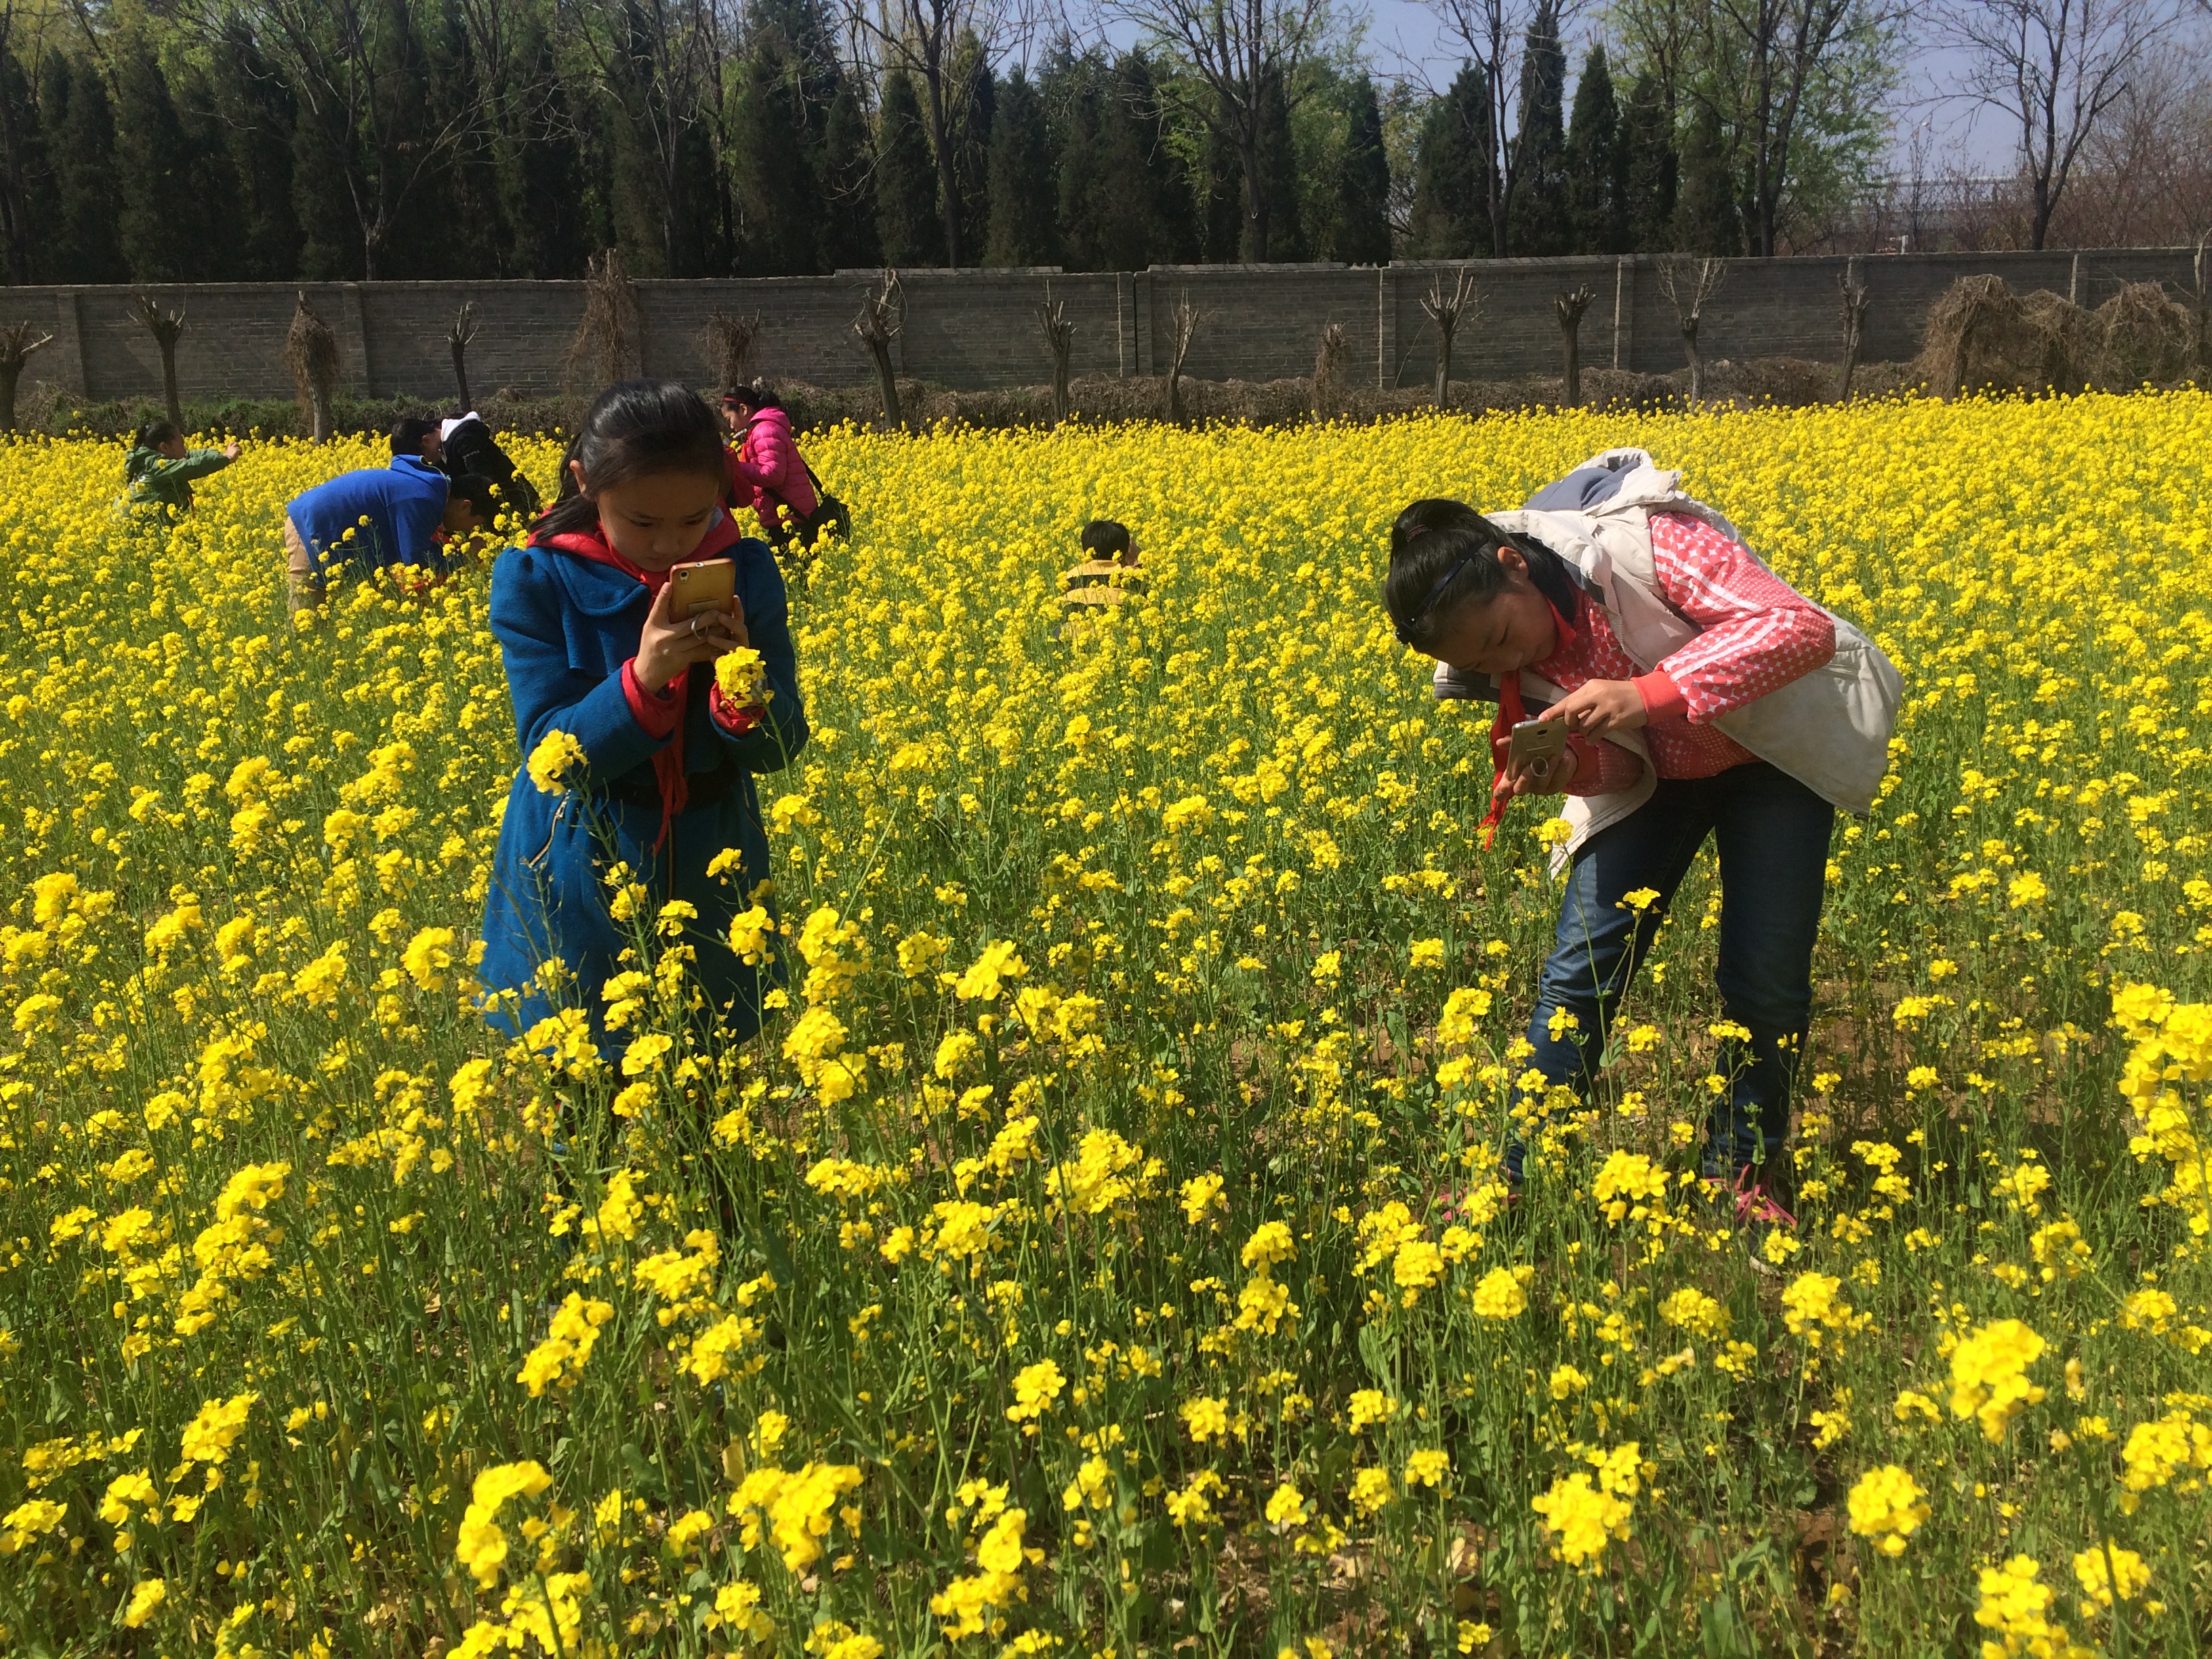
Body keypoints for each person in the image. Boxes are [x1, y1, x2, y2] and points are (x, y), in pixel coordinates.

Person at [1383, 449, 1901, 1223]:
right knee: (1578, 973)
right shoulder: (1501, 658)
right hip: (1665, 780)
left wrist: (1648, 692)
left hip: (1772, 762)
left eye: (1497, 638)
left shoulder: (1644, 543)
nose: (1504, 664)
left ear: (1511, 564)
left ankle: (1743, 1168)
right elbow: (1621, 774)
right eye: (1481, 663)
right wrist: (1571, 769)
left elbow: (1797, 628)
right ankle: (1516, 1170)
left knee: (1765, 977)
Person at [478, 379, 808, 1052]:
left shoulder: (747, 572)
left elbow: (780, 746)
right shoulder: (539, 580)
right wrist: (644, 678)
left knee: (706, 1071)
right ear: (584, 482)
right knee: (585, 1071)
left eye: (694, 519)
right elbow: (549, 752)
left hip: (712, 849)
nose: (670, 545)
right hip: (578, 853)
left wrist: (739, 684)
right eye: (643, 522)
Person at [281, 455, 495, 613]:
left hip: (334, 533)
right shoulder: (422, 498)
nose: (467, 532)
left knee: (381, 613)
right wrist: (464, 555)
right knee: (305, 620)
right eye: (474, 524)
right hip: (311, 528)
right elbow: (417, 563)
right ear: (465, 507)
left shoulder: (427, 491)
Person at [720, 383, 820, 548]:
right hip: (788, 516)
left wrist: (735, 465)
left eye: (729, 419)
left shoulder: (764, 431)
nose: (731, 426)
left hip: (792, 519)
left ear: (743, 410)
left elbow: (773, 475)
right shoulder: (763, 430)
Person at [116, 419, 241, 521]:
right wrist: (226, 458)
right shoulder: (155, 467)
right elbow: (189, 467)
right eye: (181, 443)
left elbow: (189, 457)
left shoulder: (154, 460)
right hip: (132, 532)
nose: (185, 448)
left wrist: (220, 455)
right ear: (164, 447)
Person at [440, 410, 542, 521]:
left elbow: (482, 480)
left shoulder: (465, 440)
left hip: (512, 507)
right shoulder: (467, 437)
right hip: (512, 508)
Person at [1060, 518, 1145, 613]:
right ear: (1124, 552)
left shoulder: (1070, 577)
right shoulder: (1135, 577)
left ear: (1086, 550)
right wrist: (1139, 562)